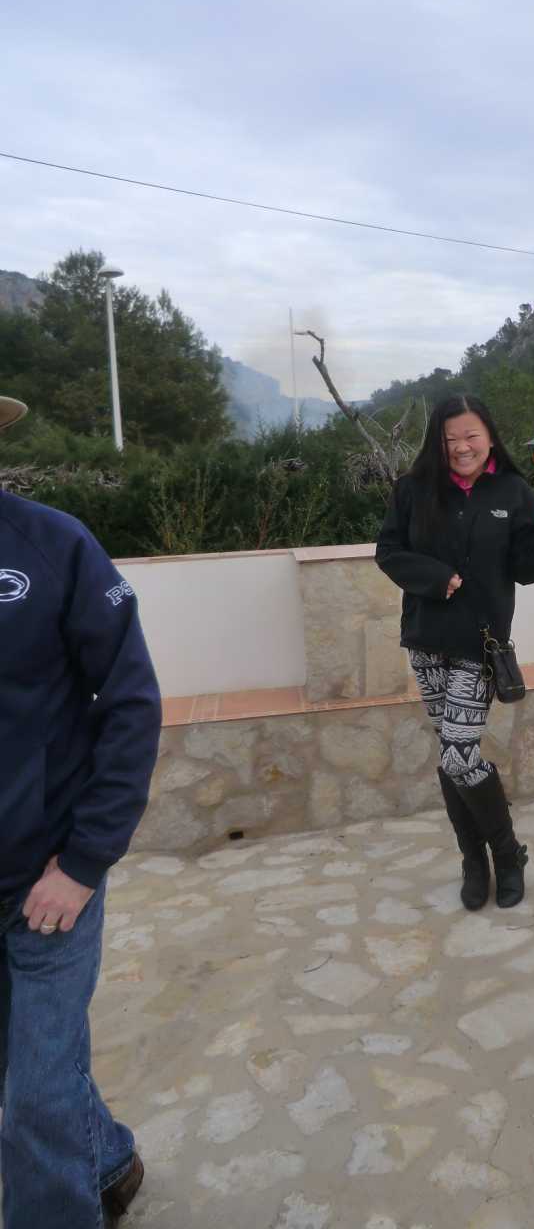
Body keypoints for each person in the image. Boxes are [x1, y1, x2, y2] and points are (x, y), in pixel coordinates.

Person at [0, 394, 162, 1228]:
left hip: (47, 878)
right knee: (30, 1070)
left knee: (31, 1093)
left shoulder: (53, 545)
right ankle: (109, 1162)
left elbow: (130, 702)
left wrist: (84, 861)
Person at [377, 395, 534, 910]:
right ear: (438, 443)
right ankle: (474, 861)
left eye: (470, 435)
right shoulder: (413, 489)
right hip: (427, 641)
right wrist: (437, 577)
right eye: (450, 439)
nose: (461, 447)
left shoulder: (512, 491)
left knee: (457, 753)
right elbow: (389, 552)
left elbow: (526, 566)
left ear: (490, 437)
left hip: (480, 644)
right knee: (454, 758)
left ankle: (507, 854)